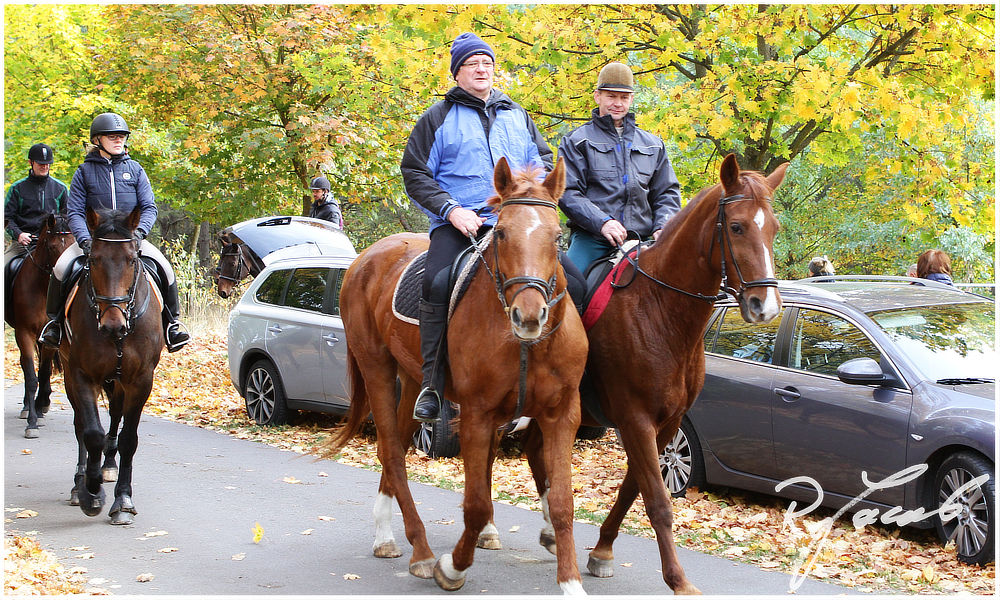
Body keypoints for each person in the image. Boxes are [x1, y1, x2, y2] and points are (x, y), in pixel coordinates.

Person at [400, 32, 553, 422]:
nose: (481, 69)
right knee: (436, 281)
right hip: (461, 224)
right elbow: (415, 173)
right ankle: (433, 384)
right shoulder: (436, 118)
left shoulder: (516, 114)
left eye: (486, 62)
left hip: (516, 225)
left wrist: (532, 202)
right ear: (457, 74)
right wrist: (451, 210)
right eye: (472, 64)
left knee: (575, 283)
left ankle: (570, 379)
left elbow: (544, 162)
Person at [38, 112, 190, 352]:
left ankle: (172, 324)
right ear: (97, 140)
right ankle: (54, 325)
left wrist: (139, 233)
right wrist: (85, 240)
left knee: (165, 268)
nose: (118, 140)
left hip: (130, 239)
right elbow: (75, 211)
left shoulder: (136, 169)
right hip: (95, 240)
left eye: (121, 136)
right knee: (61, 267)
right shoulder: (84, 172)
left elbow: (149, 206)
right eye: (112, 136)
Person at [558, 62, 682, 274]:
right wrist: (603, 223)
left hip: (644, 241)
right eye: (611, 96)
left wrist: (663, 225)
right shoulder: (576, 141)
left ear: (631, 99)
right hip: (592, 239)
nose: (618, 103)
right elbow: (568, 193)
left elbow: (667, 193)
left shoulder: (653, 144)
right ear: (597, 96)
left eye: (624, 97)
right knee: (568, 287)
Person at [4, 143, 69, 270]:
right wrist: (19, 234)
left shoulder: (61, 188)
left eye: (47, 164)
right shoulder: (17, 188)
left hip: (52, 242)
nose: (45, 167)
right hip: (23, 243)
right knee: (4, 266)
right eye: (41, 164)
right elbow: (6, 218)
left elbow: (67, 217)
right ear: (31, 162)